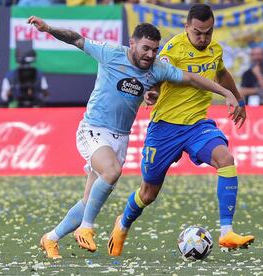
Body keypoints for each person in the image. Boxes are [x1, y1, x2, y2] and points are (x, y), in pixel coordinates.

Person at [28, 16, 240, 259]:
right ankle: (87, 228)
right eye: (145, 48)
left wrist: (225, 92)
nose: (150, 54)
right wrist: (48, 29)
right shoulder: (110, 53)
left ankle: (51, 238)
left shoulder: (157, 68)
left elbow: (190, 78)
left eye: (154, 49)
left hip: (120, 137)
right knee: (111, 172)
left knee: (89, 201)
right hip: (93, 129)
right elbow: (76, 39)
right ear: (132, 44)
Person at [107, 4, 254, 257]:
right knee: (148, 193)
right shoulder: (173, 49)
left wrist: (239, 100)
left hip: (197, 126)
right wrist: (152, 93)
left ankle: (226, 232)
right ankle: (122, 223)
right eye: (198, 32)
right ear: (187, 27)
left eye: (208, 32)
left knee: (226, 159)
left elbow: (222, 73)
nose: (203, 38)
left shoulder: (214, 50)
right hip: (164, 128)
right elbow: (157, 75)